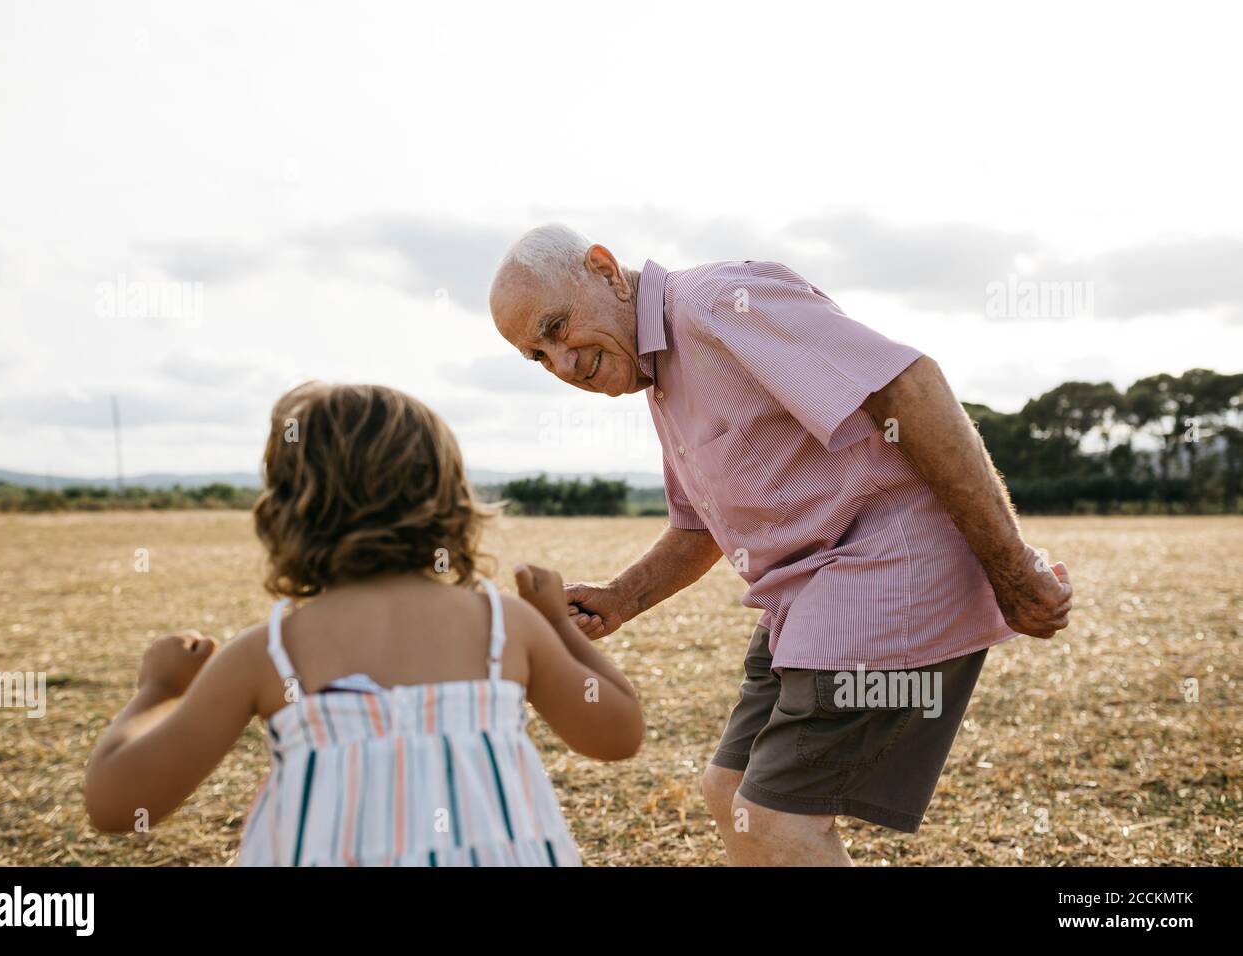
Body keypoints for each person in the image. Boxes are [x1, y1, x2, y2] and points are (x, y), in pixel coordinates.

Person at [489, 224, 1072, 865]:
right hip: (803, 606)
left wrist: (1012, 568)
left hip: (883, 579)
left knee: (773, 819)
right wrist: (621, 597)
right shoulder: (661, 377)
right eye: (539, 357)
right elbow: (696, 530)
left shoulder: (722, 303)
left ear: (604, 269)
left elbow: (907, 384)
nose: (563, 364)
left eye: (557, 327)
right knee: (730, 792)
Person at [85, 381, 642, 866]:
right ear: (450, 499)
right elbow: (618, 734)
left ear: (286, 511)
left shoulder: (270, 655)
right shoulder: (505, 628)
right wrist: (556, 623)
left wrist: (159, 689)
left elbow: (118, 806)